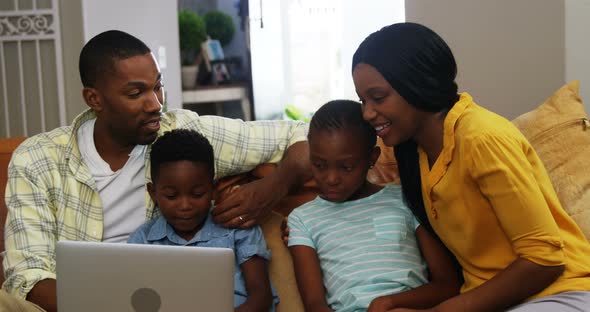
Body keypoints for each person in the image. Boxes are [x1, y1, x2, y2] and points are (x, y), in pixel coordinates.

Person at [1, 30, 310, 312]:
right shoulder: (38, 159)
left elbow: (302, 132)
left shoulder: (183, 134)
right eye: (136, 94)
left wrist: (274, 187)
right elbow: (28, 277)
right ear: (94, 99)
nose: (155, 104)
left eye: (158, 87)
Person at [351, 22, 590, 312]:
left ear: (417, 83)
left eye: (378, 98)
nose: (367, 112)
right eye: (362, 100)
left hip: (558, 293)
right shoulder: (413, 151)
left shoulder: (481, 137)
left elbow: (545, 258)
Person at [287, 100, 460, 312]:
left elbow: (447, 284)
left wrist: (389, 303)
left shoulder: (406, 198)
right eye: (319, 165)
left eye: (346, 167)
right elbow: (315, 306)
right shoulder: (303, 219)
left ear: (372, 158)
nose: (331, 178)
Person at [127, 129, 277, 311]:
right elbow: (135, 300)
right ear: (153, 193)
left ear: (214, 189)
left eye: (197, 194)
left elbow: (261, 296)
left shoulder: (238, 228)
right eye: (171, 196)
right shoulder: (142, 240)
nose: (185, 205)